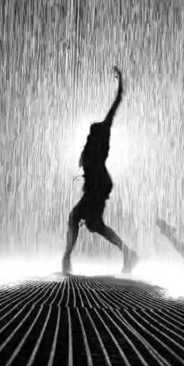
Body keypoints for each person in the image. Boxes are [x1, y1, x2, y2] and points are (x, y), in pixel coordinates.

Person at [62, 66, 139, 275]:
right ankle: (128, 253)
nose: (90, 131)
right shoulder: (92, 145)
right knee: (95, 225)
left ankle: (66, 258)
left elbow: (116, 103)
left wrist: (121, 81)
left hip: (98, 186)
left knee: (75, 217)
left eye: (92, 130)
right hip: (97, 185)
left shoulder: (103, 132)